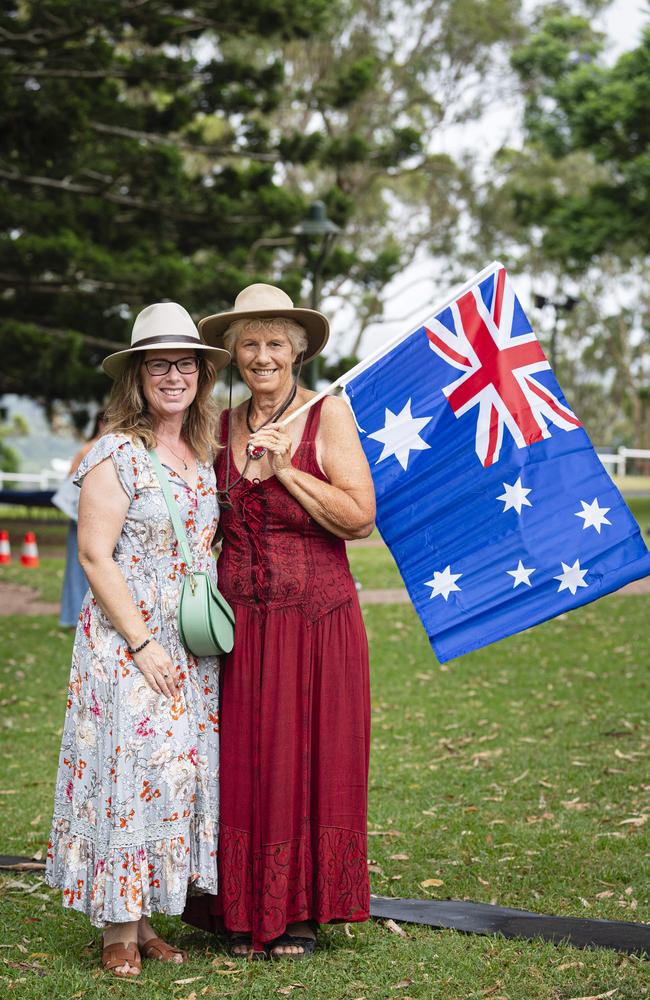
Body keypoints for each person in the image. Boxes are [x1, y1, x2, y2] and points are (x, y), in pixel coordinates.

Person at [183, 283, 376, 959]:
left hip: (318, 624)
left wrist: (287, 470)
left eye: (274, 343)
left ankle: (297, 914)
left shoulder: (331, 415)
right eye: (249, 343)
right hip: (238, 629)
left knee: (309, 762)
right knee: (239, 764)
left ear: (296, 352)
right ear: (234, 354)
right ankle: (237, 910)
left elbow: (358, 517)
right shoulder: (221, 423)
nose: (262, 356)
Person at [45, 303, 230, 978]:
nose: (175, 375)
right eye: (160, 364)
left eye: (186, 363)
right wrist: (142, 641)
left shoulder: (199, 452)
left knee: (168, 774)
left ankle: (145, 916)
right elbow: (95, 555)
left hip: (185, 641)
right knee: (127, 770)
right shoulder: (114, 451)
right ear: (138, 377)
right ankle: (117, 929)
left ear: (202, 374)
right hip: (131, 642)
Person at [56, 412, 106, 628]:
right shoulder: (90, 448)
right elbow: (71, 481)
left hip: (100, 518)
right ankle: (74, 616)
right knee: (80, 566)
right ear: (100, 423)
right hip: (80, 517)